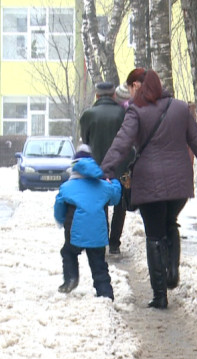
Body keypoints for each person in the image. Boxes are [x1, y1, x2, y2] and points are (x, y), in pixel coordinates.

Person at [100, 69, 197, 309]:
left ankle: (160, 294)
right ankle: (172, 272)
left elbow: (121, 143)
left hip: (149, 185)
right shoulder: (180, 108)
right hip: (179, 184)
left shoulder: (136, 111)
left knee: (154, 234)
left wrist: (104, 171)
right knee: (170, 223)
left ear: (140, 87)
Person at [54, 144, 122, 300]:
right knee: (99, 266)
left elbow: (59, 207)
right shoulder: (104, 186)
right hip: (98, 235)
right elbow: (116, 198)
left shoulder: (67, 187)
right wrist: (113, 181)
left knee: (68, 253)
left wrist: (60, 221)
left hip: (74, 233)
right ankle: (105, 294)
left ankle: (71, 278)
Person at [79, 81, 130, 254]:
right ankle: (115, 243)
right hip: (119, 166)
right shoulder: (122, 113)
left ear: (97, 96)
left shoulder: (88, 115)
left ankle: (101, 242)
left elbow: (85, 142)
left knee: (99, 205)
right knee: (119, 205)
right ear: (114, 95)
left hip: (96, 168)